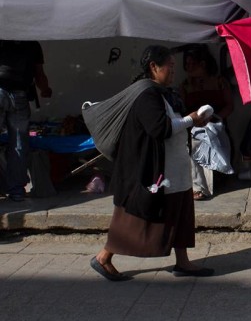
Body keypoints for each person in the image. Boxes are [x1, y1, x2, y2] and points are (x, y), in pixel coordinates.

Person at [90, 45, 213, 281]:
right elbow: (160, 128)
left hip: (175, 166)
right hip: (154, 170)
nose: (174, 70)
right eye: (170, 66)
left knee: (180, 213)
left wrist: (193, 122)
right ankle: (103, 257)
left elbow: (174, 122)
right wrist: (191, 119)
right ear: (153, 67)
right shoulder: (145, 95)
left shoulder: (165, 92)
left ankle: (183, 262)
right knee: (135, 218)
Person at [178, 44, 235, 201]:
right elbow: (182, 109)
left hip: (216, 124)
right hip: (193, 125)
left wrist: (215, 118)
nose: (188, 67)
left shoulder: (219, 81)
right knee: (195, 141)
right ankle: (199, 185)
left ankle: (207, 183)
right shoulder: (185, 85)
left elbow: (230, 105)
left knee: (208, 137)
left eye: (192, 64)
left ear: (202, 64)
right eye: (186, 64)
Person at [0, 40, 52, 202]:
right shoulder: (33, 44)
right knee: (19, 144)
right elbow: (39, 75)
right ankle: (16, 190)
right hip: (20, 96)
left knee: (18, 144)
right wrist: (45, 90)